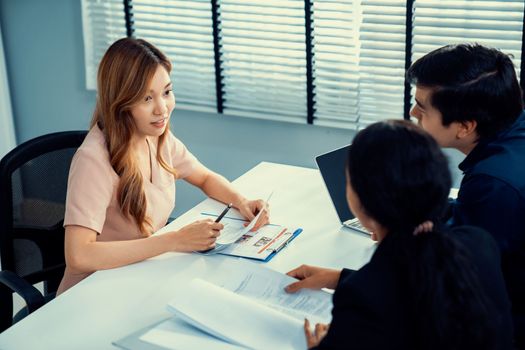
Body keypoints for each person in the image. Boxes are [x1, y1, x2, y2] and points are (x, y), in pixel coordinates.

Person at [56, 38, 269, 295]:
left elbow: (204, 177)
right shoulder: (93, 160)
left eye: (167, 92)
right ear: (121, 103)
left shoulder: (157, 138)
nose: (162, 109)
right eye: (147, 98)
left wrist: (240, 200)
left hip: (138, 276)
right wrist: (175, 240)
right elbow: (79, 256)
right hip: (93, 292)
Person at [285, 120, 513, 349]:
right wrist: (340, 278)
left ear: (362, 201)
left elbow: (390, 292)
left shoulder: (362, 297)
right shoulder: (479, 242)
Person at [407, 43, 525, 346]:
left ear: (464, 127)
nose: (413, 113)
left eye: (423, 107)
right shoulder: (512, 136)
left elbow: (459, 282)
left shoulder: (494, 183)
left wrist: (346, 280)